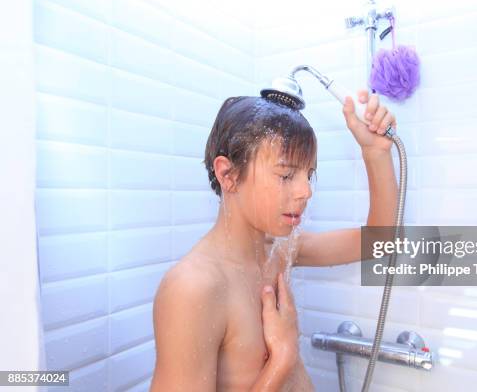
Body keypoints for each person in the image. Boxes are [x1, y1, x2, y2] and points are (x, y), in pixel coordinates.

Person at [150, 90, 398, 391]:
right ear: (228, 174)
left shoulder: (277, 252)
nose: (305, 191)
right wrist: (282, 357)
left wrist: (376, 153)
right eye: (286, 175)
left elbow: (379, 242)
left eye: (308, 175)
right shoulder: (193, 287)